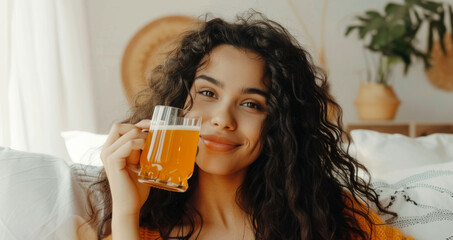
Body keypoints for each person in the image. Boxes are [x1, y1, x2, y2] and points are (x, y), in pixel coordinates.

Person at [88, 11, 414, 240]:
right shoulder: (139, 231)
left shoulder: (328, 220)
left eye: (251, 104)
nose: (222, 119)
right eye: (207, 92)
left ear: (279, 123)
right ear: (177, 102)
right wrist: (127, 213)